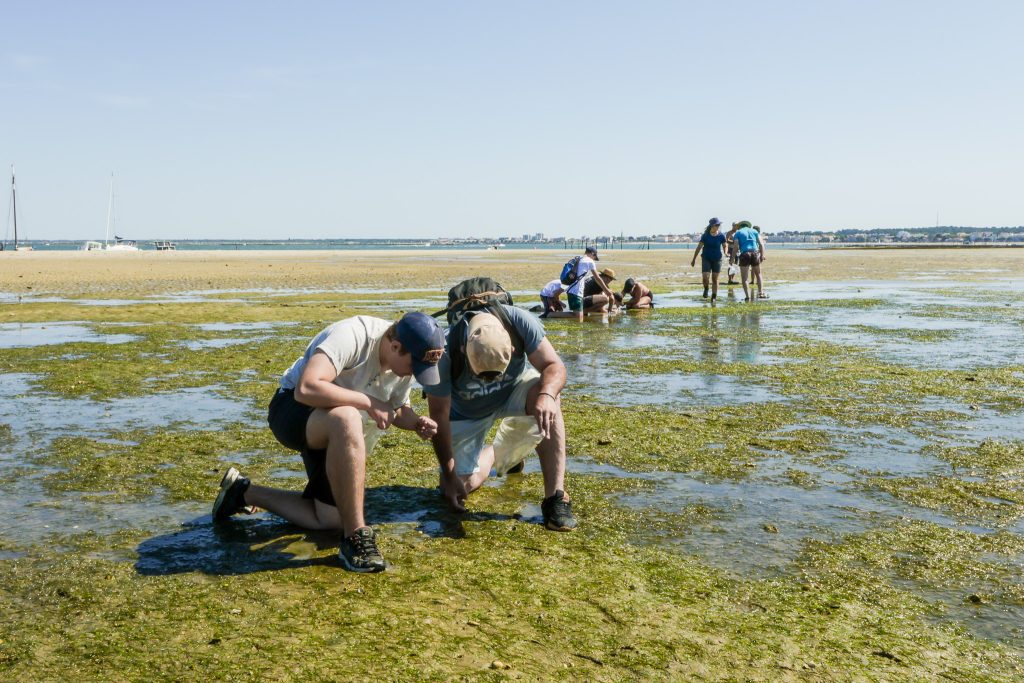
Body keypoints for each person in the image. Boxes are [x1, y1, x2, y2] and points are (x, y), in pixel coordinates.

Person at [212, 312, 445, 573]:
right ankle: (356, 536)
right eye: (415, 366)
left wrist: (416, 422)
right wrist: (368, 402)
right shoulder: (354, 335)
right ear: (395, 346)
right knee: (347, 416)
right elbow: (307, 388)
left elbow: (394, 409)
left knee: (330, 519)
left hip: (338, 433)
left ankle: (243, 492)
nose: (415, 374)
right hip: (292, 410)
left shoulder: (401, 365)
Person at [424, 307, 577, 532]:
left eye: (494, 374)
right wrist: (448, 474)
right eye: (481, 375)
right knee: (459, 489)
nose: (488, 382)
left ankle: (555, 497)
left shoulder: (520, 322)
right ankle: (499, 453)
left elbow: (554, 366)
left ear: (512, 348)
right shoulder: (444, 350)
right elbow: (438, 415)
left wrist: (546, 395)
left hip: (512, 392)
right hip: (466, 413)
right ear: (464, 349)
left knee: (549, 394)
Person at [565, 246, 614, 321]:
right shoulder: (590, 262)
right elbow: (598, 278)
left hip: (572, 291)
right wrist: (607, 292)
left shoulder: (578, 258)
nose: (594, 259)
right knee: (577, 317)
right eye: (594, 257)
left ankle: (582, 312)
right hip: (576, 292)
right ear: (592, 254)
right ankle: (550, 315)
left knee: (578, 317)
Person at [690, 217, 728, 301]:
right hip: (706, 258)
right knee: (705, 277)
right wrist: (694, 259)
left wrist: (725, 252)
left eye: (719, 225)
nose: (718, 226)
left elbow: (725, 245)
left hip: (717, 259)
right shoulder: (705, 235)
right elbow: (699, 247)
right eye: (716, 225)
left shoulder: (721, 235)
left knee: (715, 279)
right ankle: (706, 288)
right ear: (712, 226)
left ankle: (714, 296)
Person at [733, 220, 767, 301]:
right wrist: (762, 255)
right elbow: (761, 244)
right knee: (758, 274)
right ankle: (760, 293)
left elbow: (735, 247)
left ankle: (747, 296)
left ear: (740, 226)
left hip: (744, 254)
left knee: (744, 278)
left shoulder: (738, 233)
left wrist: (732, 259)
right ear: (748, 226)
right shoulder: (754, 231)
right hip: (755, 253)